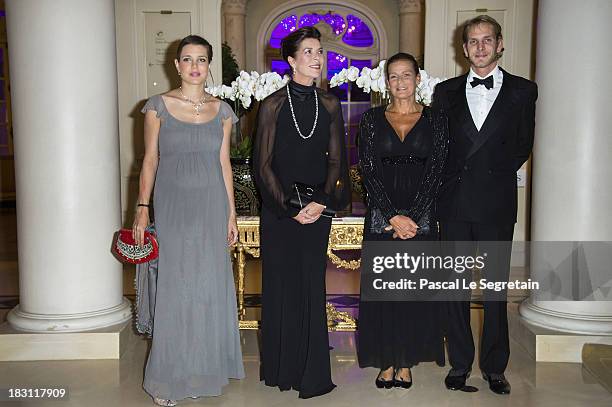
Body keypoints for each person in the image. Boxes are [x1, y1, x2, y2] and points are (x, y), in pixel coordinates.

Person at [133, 35, 245, 406]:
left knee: (208, 288)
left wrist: (231, 214)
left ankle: (201, 370)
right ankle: (169, 376)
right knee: (176, 288)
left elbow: (224, 164)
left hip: (212, 205)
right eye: (187, 59)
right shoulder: (157, 107)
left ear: (208, 65)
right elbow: (149, 160)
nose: (194, 65)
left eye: (201, 59)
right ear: (176, 65)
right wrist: (142, 207)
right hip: (174, 206)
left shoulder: (223, 110)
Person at [432, 15, 538, 395]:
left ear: (500, 44)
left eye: (487, 40)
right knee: (455, 288)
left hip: (495, 203)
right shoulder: (444, 92)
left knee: (495, 290)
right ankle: (460, 363)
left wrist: (490, 176)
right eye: (472, 41)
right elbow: (440, 148)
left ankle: (495, 367)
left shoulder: (524, 91)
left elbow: (522, 145)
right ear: (463, 49)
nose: (480, 47)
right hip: (454, 204)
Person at [253, 26, 351, 399]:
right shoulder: (273, 104)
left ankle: (312, 374)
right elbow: (262, 165)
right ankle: (282, 369)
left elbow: (338, 161)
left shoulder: (330, 104)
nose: (316, 57)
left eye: (319, 51)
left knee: (311, 287)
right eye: (308, 51)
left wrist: (322, 202)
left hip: (317, 210)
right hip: (281, 212)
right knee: (281, 287)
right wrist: (291, 208)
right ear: (291, 60)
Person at [357, 53, 449, 389]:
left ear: (417, 79)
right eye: (393, 76)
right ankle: (386, 359)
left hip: (421, 217)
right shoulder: (370, 120)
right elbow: (368, 169)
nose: (400, 83)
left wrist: (413, 217)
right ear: (386, 82)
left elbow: (437, 170)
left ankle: (406, 360)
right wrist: (393, 216)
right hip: (383, 215)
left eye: (406, 75)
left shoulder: (437, 120)